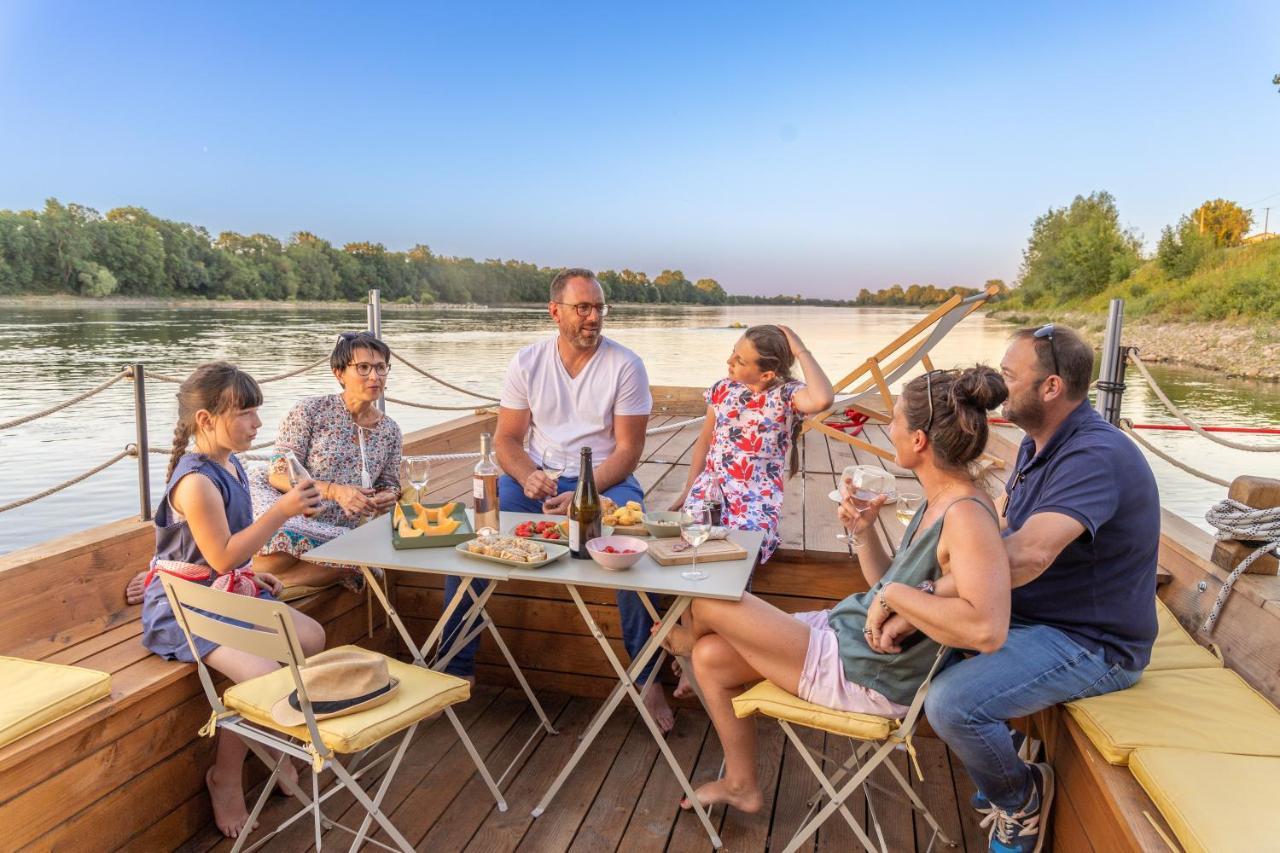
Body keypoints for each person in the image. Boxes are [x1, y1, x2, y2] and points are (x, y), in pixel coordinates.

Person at [658, 366, 1011, 814]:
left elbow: (987, 629)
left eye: (896, 420)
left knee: (706, 598)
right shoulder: (939, 498)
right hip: (844, 637)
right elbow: (884, 585)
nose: (889, 428)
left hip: (865, 674)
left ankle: (679, 648)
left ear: (919, 440)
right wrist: (864, 534)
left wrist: (895, 598)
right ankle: (740, 783)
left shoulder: (965, 514)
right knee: (712, 659)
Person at [873, 326, 1160, 853]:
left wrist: (923, 593)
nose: (997, 388)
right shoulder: (1036, 444)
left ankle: (1019, 797)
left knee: (953, 703)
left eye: (1009, 376)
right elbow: (999, 526)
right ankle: (1007, 751)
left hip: (1093, 642)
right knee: (917, 649)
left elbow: (1027, 554)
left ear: (1051, 387)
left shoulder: (1095, 455)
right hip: (1036, 619)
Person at [437, 268, 677, 729]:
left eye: (599, 308)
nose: (594, 317)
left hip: (605, 481)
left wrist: (581, 494)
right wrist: (527, 477)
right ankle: (454, 671)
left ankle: (649, 682)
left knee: (631, 553)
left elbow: (628, 450)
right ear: (555, 312)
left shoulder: (626, 365)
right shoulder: (527, 362)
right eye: (583, 308)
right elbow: (507, 439)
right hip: (537, 482)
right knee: (473, 545)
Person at [138, 362, 326, 839]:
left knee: (311, 636)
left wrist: (257, 579)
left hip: (222, 594)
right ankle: (225, 776)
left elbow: (225, 556)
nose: (256, 424)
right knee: (263, 673)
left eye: (256, 412)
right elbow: (220, 557)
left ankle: (275, 744)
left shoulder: (230, 463)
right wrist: (282, 511)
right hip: (184, 606)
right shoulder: (197, 482)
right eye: (245, 413)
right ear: (206, 420)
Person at [125, 332, 404, 605]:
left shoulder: (390, 430)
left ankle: (246, 581)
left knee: (358, 563)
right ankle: (175, 572)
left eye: (381, 368)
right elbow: (279, 473)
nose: (374, 376)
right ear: (339, 373)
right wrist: (335, 492)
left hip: (339, 522)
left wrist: (385, 496)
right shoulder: (311, 411)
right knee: (307, 543)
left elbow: (390, 484)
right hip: (287, 504)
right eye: (364, 368)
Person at [665, 324, 834, 697]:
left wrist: (800, 346)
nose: (729, 361)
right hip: (711, 489)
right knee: (693, 555)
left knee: (733, 562)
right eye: (732, 353)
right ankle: (698, 652)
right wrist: (690, 487)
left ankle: (700, 650)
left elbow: (823, 399)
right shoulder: (723, 388)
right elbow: (704, 442)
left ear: (767, 373)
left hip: (755, 499)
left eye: (740, 360)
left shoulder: (787, 395)